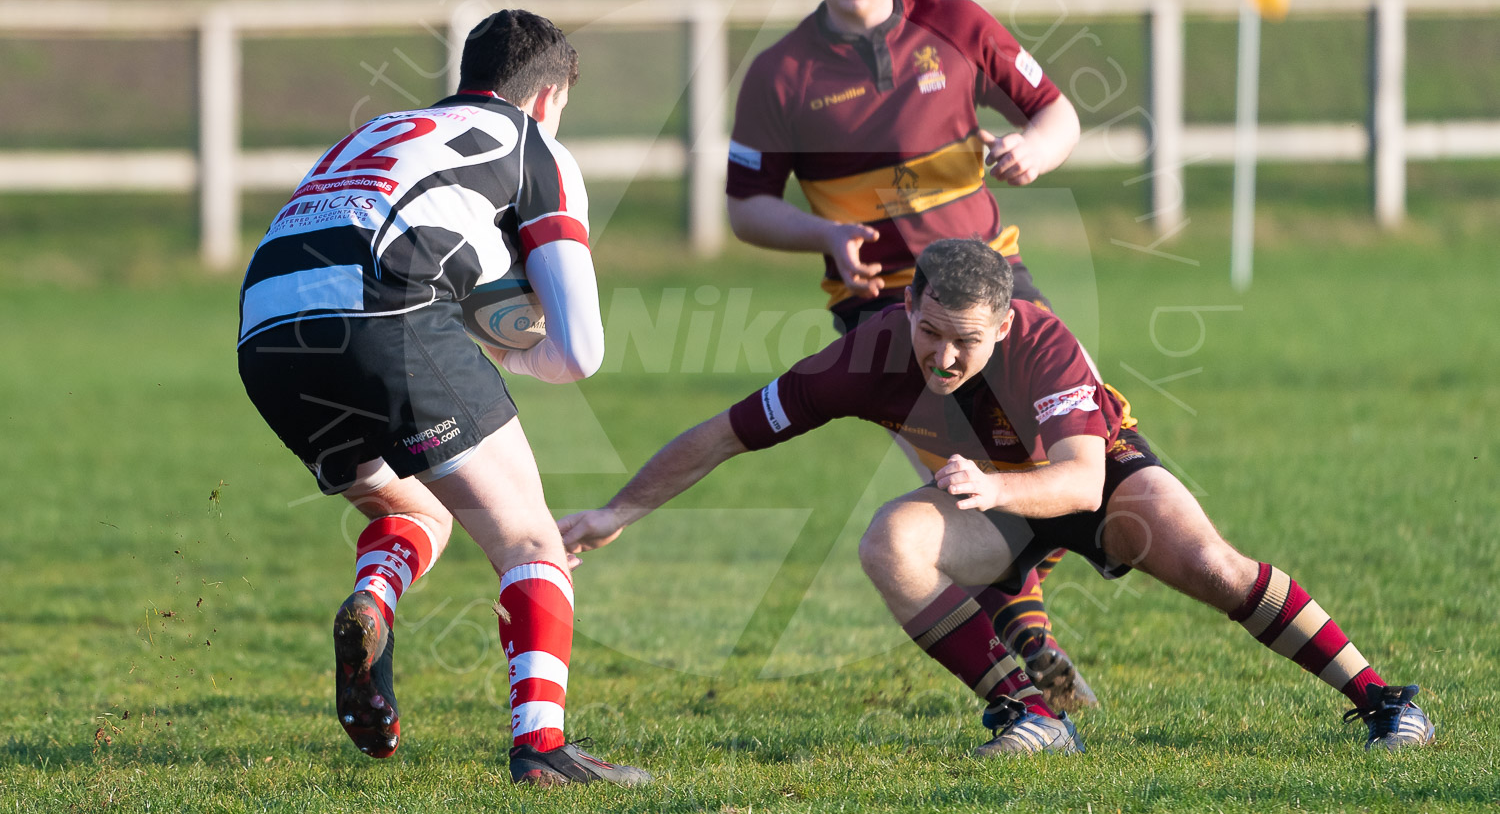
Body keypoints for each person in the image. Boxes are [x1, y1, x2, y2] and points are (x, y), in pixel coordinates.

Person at [559, 239, 1435, 756]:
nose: (942, 356)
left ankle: (1384, 700)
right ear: (908, 306)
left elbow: (1084, 480)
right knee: (889, 544)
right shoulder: (861, 358)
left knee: (1212, 564)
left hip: (1095, 475)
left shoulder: (1041, 340)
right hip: (997, 502)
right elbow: (721, 433)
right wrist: (616, 513)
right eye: (930, 332)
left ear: (1006, 326)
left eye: (965, 343)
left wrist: (994, 484)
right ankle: (1032, 710)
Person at [236, 9, 649, 786]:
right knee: (531, 539)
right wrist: (502, 346)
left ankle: (372, 604)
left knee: (410, 511)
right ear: (549, 97)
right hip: (385, 316)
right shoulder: (536, 147)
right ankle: (542, 748)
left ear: (468, 76)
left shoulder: (382, 129)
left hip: (265, 327)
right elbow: (580, 353)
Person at [726, 0, 1088, 708]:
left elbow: (1057, 112)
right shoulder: (779, 75)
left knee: (1066, 448)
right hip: (886, 311)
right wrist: (818, 233)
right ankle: (1021, 626)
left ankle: (1021, 602)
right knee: (962, 467)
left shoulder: (957, 27)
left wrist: (1038, 148)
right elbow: (745, 210)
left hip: (999, 285)